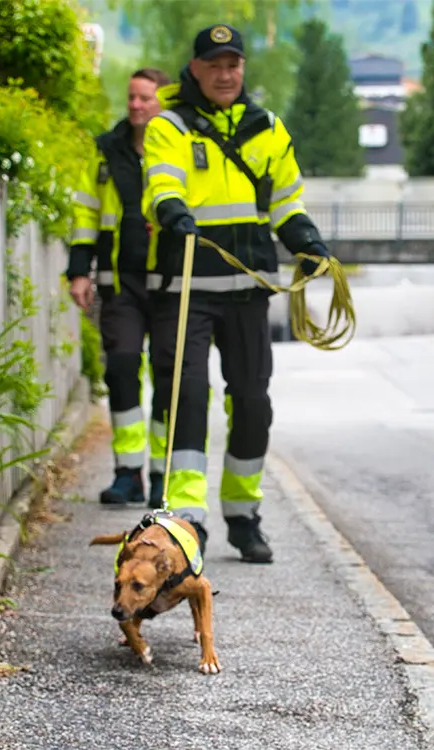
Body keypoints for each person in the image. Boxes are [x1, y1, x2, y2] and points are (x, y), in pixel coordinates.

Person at [139, 24, 331, 563]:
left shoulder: (268, 128)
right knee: (188, 397)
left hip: (248, 290)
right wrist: (172, 210)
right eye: (215, 64)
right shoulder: (169, 126)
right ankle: (186, 520)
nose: (226, 74)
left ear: (243, 69)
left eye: (234, 64)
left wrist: (307, 242)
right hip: (188, 290)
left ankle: (244, 516)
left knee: (252, 403)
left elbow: (287, 203)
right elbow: (164, 182)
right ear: (195, 69)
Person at [67, 67, 172, 508]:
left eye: (145, 98)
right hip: (120, 283)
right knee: (123, 366)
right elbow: (87, 213)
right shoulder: (106, 150)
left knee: (170, 379)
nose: (135, 105)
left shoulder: (179, 149)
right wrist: (79, 270)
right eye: (131, 97)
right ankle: (128, 473)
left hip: (170, 283)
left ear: (163, 102)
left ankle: (164, 474)